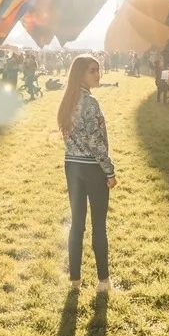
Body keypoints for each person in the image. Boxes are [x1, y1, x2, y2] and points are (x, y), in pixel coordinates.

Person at [57, 55, 115, 293]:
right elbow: (95, 142)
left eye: (98, 70)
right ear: (80, 74)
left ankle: (75, 280)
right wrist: (109, 171)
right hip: (92, 167)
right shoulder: (90, 103)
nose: (97, 75)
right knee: (98, 225)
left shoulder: (68, 100)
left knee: (77, 224)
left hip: (72, 165)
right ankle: (103, 281)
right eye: (92, 70)